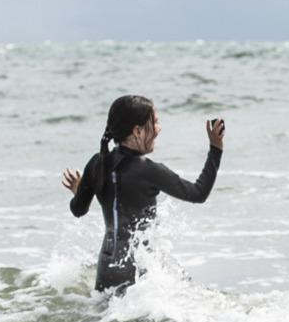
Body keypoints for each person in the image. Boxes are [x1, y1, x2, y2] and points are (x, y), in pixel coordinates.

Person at [63, 95, 225, 291]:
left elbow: (78, 209)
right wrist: (216, 149)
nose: (159, 128)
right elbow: (198, 193)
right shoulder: (149, 170)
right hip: (135, 270)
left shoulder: (97, 163)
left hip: (106, 269)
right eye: (154, 122)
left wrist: (78, 190)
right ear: (137, 131)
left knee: (104, 320)